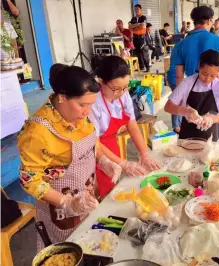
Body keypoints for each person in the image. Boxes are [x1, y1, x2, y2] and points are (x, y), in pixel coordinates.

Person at [18, 64, 123, 248]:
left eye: (91, 105)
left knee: (94, 244)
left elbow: (91, 143)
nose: (87, 112)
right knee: (71, 250)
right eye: (82, 105)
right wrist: (67, 202)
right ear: (61, 98)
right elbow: (29, 180)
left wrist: (105, 161)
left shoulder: (79, 117)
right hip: (60, 209)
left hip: (88, 195)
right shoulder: (38, 132)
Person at [90, 56, 161, 197]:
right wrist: (123, 164)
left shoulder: (123, 95)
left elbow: (132, 125)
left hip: (112, 146)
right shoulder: (92, 102)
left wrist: (144, 154)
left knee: (112, 187)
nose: (121, 93)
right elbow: (95, 143)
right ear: (101, 81)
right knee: (96, 191)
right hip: (94, 151)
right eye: (116, 89)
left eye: (125, 87)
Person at [172, 5, 219, 140]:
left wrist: (184, 107)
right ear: (210, 20)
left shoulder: (180, 45)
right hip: (211, 89)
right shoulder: (215, 39)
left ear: (194, 21)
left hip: (191, 90)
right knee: (217, 131)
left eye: (211, 74)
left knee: (206, 128)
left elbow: (179, 76)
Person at [164, 49, 219, 141]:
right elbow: (168, 107)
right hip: (187, 137)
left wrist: (213, 118)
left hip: (210, 139)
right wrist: (185, 111)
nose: (207, 79)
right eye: (204, 74)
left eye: (212, 75)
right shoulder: (187, 83)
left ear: (218, 72)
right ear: (199, 67)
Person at [167, 41, 183, 133]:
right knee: (177, 101)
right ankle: (176, 126)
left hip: (174, 76)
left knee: (180, 101)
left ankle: (179, 123)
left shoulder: (178, 45)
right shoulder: (184, 48)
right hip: (175, 77)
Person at [129, 4, 150, 72]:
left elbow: (142, 26)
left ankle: (147, 67)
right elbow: (129, 27)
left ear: (141, 10)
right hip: (135, 38)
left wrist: (134, 27)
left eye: (137, 9)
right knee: (137, 53)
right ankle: (141, 67)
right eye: (135, 9)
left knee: (144, 52)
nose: (136, 11)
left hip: (142, 37)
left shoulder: (143, 17)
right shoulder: (133, 18)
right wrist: (137, 25)